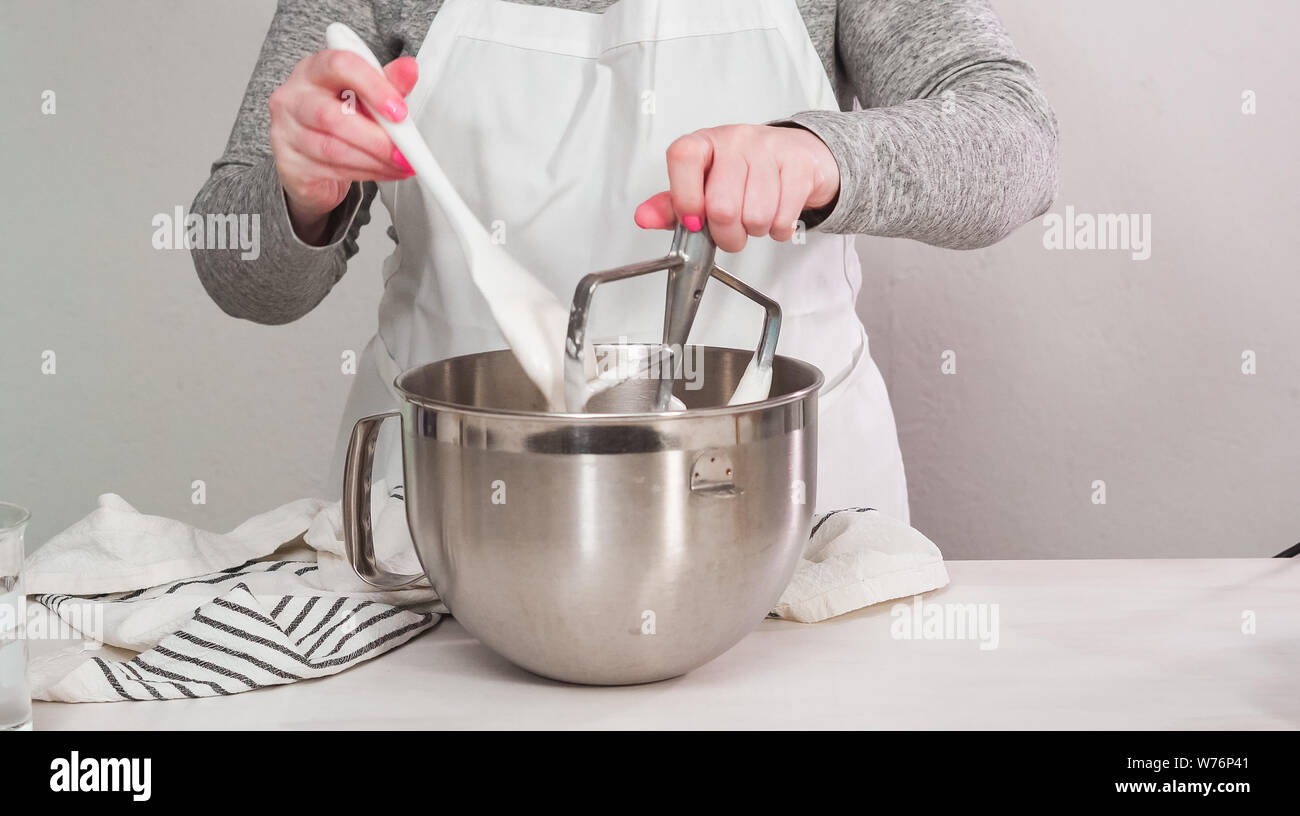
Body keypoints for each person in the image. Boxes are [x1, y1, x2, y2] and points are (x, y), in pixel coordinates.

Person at [191, 0, 1058, 523]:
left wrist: (820, 157)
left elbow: (1016, 139)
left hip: (790, 530)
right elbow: (241, 270)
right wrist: (305, 193)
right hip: (444, 535)